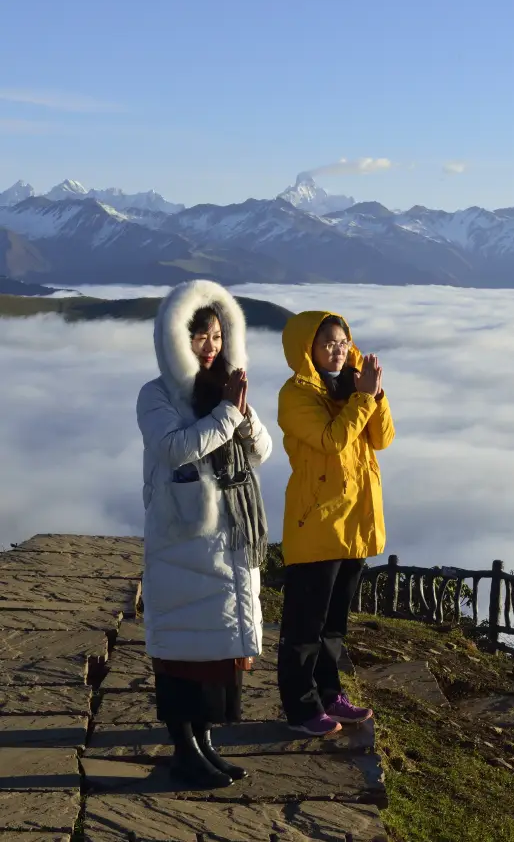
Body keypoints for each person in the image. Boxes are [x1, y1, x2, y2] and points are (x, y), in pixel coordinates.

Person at [136, 280, 272, 788]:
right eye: (199, 336)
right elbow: (173, 448)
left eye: (216, 334)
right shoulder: (156, 395)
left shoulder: (224, 390)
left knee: (215, 649)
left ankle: (205, 742)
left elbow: (261, 452)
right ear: (176, 339)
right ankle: (183, 747)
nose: (210, 345)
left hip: (228, 540)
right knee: (181, 650)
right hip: (183, 540)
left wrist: (241, 413)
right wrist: (228, 413)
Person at [277, 311, 395, 736]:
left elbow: (383, 438)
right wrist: (364, 398)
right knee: (304, 626)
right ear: (306, 347)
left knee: (333, 624)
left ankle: (330, 694)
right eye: (328, 342)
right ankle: (300, 707)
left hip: (355, 520)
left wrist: (375, 396)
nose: (338, 349)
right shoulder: (296, 394)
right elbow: (331, 441)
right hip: (317, 523)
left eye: (343, 341)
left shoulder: (355, 384)